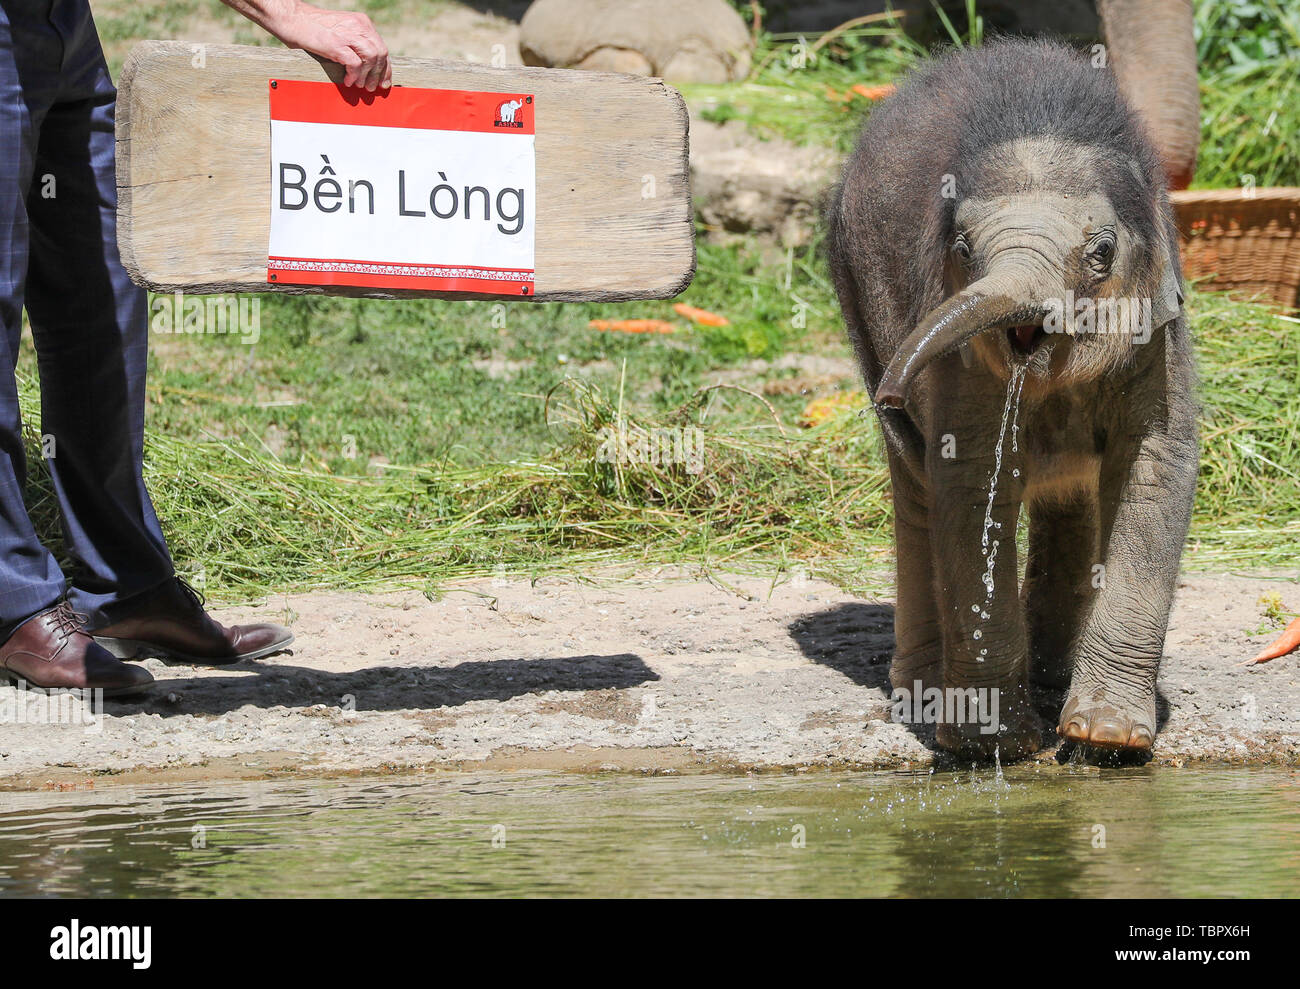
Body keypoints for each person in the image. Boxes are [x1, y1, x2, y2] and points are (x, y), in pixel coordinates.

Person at [0, 0, 390, 694]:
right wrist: (291, 15)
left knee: (106, 292)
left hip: (61, 23)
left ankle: (124, 582)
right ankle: (14, 603)